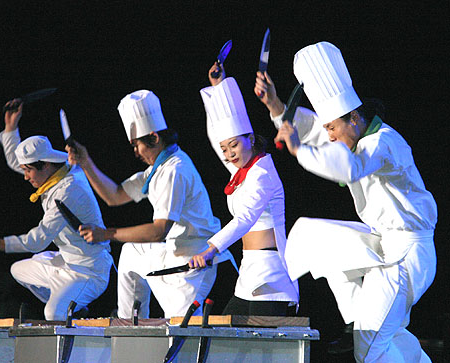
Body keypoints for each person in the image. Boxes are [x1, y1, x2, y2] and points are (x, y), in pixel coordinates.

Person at [256, 42, 436, 362]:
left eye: (333, 128)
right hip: (386, 245)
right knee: (320, 243)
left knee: (369, 348)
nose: (331, 136)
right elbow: (314, 131)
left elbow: (350, 167)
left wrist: (299, 148)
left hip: (407, 256)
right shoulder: (357, 137)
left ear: (354, 118)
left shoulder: (384, 143)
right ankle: (357, 322)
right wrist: (275, 107)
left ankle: (360, 328)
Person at [66, 90, 233, 318]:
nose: (135, 152)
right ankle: (130, 323)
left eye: (137, 145)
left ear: (154, 138)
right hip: (174, 252)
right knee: (130, 252)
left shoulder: (174, 170)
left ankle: (146, 328)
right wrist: (85, 163)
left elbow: (158, 231)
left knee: (182, 336)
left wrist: (106, 234)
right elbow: (114, 196)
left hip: (193, 262)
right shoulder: (157, 169)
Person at [0, 100, 113, 321]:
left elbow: (36, 241)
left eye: (28, 171)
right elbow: (16, 163)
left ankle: (67, 307)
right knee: (18, 270)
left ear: (45, 165)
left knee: (52, 313)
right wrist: (11, 128)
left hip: (89, 271)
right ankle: (70, 305)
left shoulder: (67, 191)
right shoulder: (57, 171)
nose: (25, 176)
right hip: (65, 262)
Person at [188, 63, 299, 316]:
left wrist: (210, 250)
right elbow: (214, 136)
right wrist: (218, 89)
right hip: (248, 272)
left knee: (265, 351)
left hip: (270, 275)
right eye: (225, 149)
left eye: (234, 145)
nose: (228, 154)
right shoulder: (242, 172)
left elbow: (246, 219)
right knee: (228, 344)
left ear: (250, 138)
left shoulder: (262, 172)